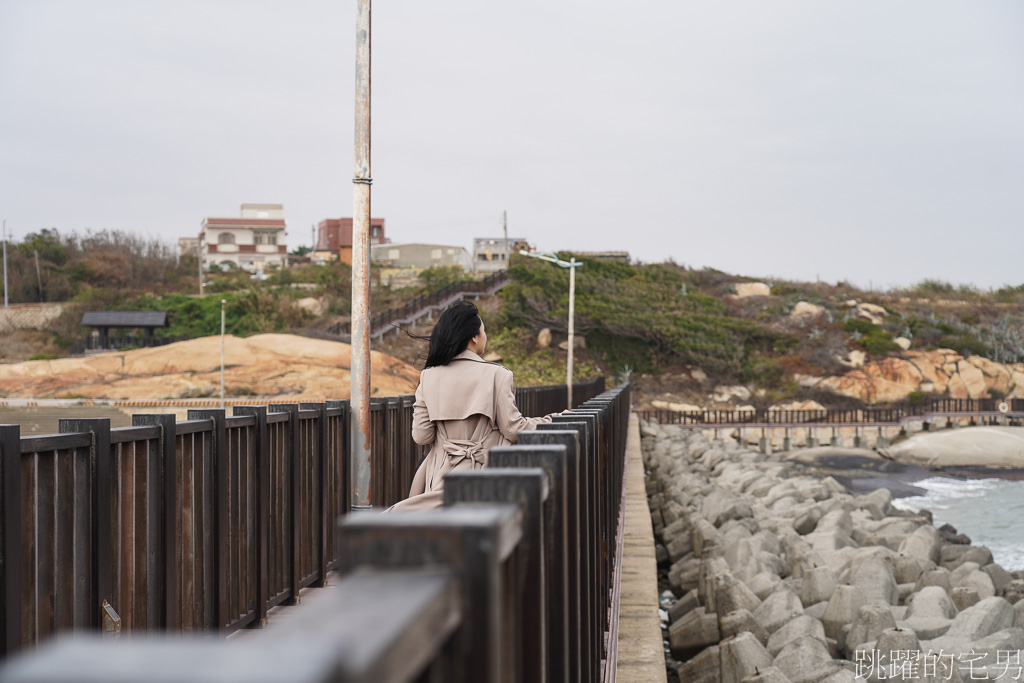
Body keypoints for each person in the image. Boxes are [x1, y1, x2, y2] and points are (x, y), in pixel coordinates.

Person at [387, 301, 559, 511]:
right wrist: (554, 420)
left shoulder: (428, 376)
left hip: (439, 479)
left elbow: (422, 436)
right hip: (483, 478)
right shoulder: (498, 375)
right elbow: (514, 430)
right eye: (483, 331)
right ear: (474, 337)